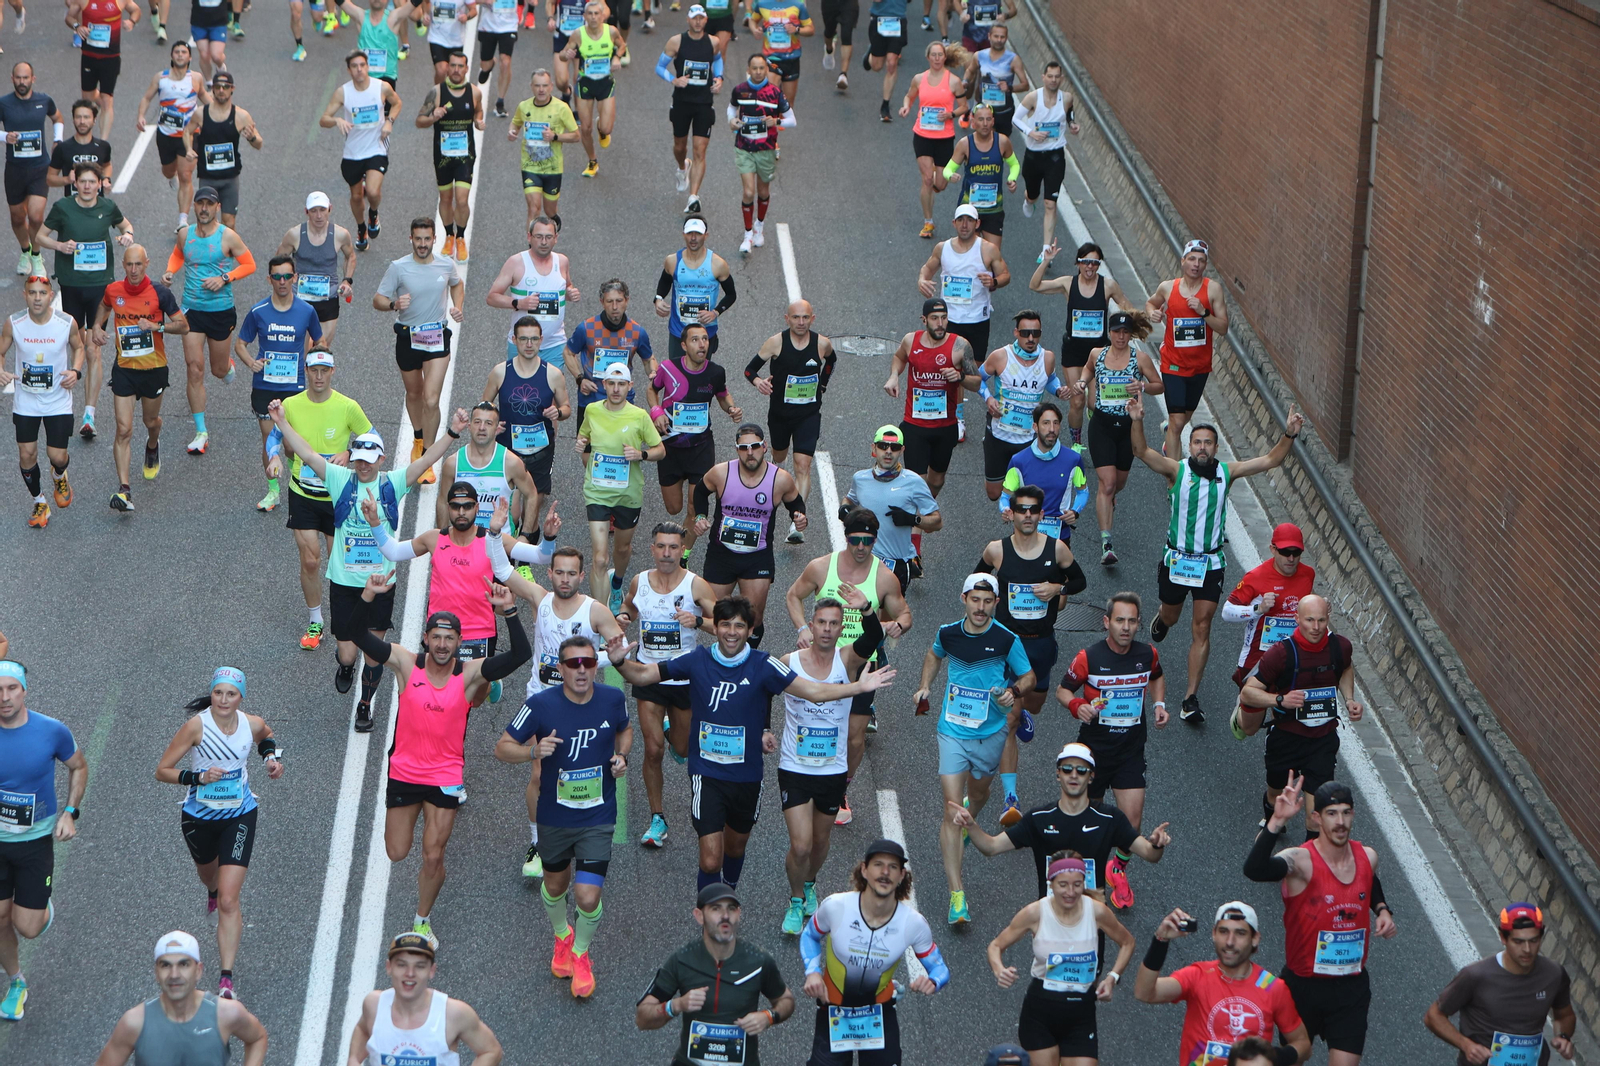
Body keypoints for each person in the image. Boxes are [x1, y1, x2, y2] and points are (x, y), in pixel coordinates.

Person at [607, 596, 895, 893]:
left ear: (749, 630)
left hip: (746, 777)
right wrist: (619, 661)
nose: (732, 632)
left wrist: (858, 687)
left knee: (735, 848)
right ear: (715, 628)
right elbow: (643, 674)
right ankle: (712, 906)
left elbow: (813, 691)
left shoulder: (764, 665)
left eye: (739, 626)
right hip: (707, 774)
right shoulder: (697, 660)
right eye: (725, 625)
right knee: (710, 858)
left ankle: (728, 891)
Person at [348, 571, 530, 945]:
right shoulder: (405, 663)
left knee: (433, 855)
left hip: (445, 775)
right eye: (437, 637)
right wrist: (367, 596)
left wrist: (509, 611)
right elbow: (355, 632)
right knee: (397, 852)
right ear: (426, 639)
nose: (443, 644)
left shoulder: (470, 673)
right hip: (404, 771)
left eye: (450, 638)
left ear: (460, 642)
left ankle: (422, 921)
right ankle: (421, 905)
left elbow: (520, 655)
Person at [267, 401, 470, 730]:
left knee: (374, 654)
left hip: (380, 582)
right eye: (358, 459)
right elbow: (307, 454)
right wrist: (282, 423)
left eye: (369, 460)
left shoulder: (393, 483)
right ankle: (346, 666)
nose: (363, 466)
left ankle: (365, 705)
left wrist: (452, 432)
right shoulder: (339, 478)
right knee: (348, 653)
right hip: (345, 583)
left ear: (381, 459)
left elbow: (427, 459)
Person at [1127, 392, 1304, 722]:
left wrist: (1289, 433)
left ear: (1216, 447)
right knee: (1171, 617)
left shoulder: (1227, 472)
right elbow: (1141, 452)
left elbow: (1270, 460)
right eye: (1197, 442)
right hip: (1178, 560)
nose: (1202, 448)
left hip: (1210, 563)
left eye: (1208, 443)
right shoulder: (1177, 470)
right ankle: (1163, 618)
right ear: (1190, 446)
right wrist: (1137, 419)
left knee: (1202, 626)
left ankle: (1190, 698)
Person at [479, 523, 622, 878]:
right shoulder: (540, 598)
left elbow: (619, 651)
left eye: (572, 573)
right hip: (542, 699)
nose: (565, 579)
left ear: (582, 576)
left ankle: (583, 830)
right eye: (559, 572)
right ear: (550, 573)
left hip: (581, 702)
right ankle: (538, 842)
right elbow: (502, 570)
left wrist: (591, 662)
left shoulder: (595, 612)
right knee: (540, 772)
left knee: (575, 768)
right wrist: (494, 534)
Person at [495, 635, 630, 997]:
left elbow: (625, 730)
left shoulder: (612, 699)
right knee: (555, 886)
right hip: (554, 817)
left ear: (595, 666)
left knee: (586, 896)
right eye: (573, 664)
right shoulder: (540, 705)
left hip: (598, 816)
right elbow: (502, 747)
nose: (581, 670)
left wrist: (622, 757)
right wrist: (532, 752)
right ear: (561, 668)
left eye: (588, 662)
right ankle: (562, 935)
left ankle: (581, 954)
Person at [1244, 777, 1398, 1066]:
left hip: (1351, 988)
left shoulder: (1368, 857)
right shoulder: (1300, 861)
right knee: (1293, 1059)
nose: (1340, 822)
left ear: (1353, 814)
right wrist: (1276, 821)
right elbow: (1255, 869)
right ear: (1316, 818)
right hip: (1303, 987)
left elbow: (1369, 879)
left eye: (1346, 812)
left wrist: (1382, 909)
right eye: (1331, 813)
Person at [153, 667, 282, 999]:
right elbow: (162, 771)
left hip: (240, 815)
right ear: (211, 694)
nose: (224, 700)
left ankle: (226, 980)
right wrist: (197, 778)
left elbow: (267, 736)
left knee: (229, 899)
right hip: (199, 817)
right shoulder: (196, 727)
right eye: (218, 693)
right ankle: (210, 889)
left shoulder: (251, 723)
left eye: (231, 694)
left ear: (241, 697)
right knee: (209, 876)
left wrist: (270, 760)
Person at [914, 573, 1034, 924]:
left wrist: (1014, 691)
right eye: (975, 600)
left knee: (978, 794)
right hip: (952, 730)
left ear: (996, 603)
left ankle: (970, 816)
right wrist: (925, 685)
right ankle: (957, 896)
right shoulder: (948, 633)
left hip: (991, 732)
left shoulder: (1007, 639)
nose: (980, 608)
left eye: (987, 601)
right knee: (952, 810)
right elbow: (934, 654)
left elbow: (1028, 676)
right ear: (963, 599)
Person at [785, 506, 912, 825]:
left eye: (867, 541)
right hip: (823, 662)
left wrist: (898, 625)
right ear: (846, 538)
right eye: (855, 540)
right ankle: (805, 777)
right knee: (820, 725)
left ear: (875, 541)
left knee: (854, 738)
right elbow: (793, 596)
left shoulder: (883, 577)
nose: (861, 547)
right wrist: (802, 629)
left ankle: (841, 788)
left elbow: (905, 614)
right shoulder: (821, 567)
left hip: (861, 665)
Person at [975, 482, 1085, 823]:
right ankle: (1011, 798)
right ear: (1011, 514)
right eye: (1020, 509)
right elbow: (977, 581)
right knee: (1008, 722)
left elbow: (1079, 581)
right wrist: (985, 607)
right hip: (1007, 646)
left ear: (1040, 514)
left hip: (1040, 643)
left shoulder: (1057, 549)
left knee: (1033, 704)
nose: (1027, 515)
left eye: (1033, 510)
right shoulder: (997, 550)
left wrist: (1057, 587)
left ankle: (1025, 713)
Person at [775, 590, 880, 933]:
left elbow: (874, 636)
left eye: (834, 624)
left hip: (833, 769)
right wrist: (761, 729)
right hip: (794, 766)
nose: (827, 629)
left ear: (841, 628)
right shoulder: (789, 661)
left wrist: (866, 608)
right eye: (821, 622)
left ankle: (809, 883)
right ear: (811, 624)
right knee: (800, 845)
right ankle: (795, 900)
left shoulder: (846, 661)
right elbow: (762, 689)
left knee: (820, 843)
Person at [954, 741, 1170, 902]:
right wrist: (971, 825)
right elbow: (991, 847)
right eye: (1067, 769)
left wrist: (1157, 844)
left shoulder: (1110, 819)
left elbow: (1150, 854)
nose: (1073, 775)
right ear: (1058, 775)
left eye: (1081, 770)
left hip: (1090, 925)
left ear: (1091, 777)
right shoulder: (1039, 819)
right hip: (1050, 925)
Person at [1055, 591, 1165, 907]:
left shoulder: (1147, 654)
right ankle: (1085, 876)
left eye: (1132, 621)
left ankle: (1117, 867)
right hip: (1094, 753)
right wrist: (1078, 706)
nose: (1126, 627)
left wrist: (1158, 704)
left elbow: (1157, 677)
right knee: (1092, 821)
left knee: (1132, 825)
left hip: (1130, 751)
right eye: (1119, 620)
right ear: (1106, 622)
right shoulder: (1088, 657)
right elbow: (1063, 690)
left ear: (1139, 623)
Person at [800, 840, 951, 1064]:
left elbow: (940, 969)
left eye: (893, 867)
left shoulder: (913, 923)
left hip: (879, 1011)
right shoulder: (836, 906)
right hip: (833, 1008)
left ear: (901, 876)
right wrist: (812, 971)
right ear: (864, 870)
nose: (885, 872)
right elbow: (810, 935)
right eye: (878, 864)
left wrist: (933, 981)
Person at [616, 521, 717, 849]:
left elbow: (726, 625)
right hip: (649, 674)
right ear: (652, 549)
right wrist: (624, 617)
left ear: (682, 550)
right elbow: (629, 605)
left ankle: (673, 730)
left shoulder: (695, 585)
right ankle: (657, 818)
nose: (667, 553)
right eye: (661, 546)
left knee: (683, 749)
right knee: (653, 749)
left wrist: (698, 621)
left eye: (673, 547)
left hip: (685, 678)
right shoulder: (640, 581)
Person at [987, 850, 1133, 1066]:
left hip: (1081, 1013)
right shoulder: (1036, 913)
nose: (1070, 892)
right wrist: (1000, 970)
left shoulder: (1097, 912)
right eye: (1063, 885)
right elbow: (996, 946)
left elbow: (1127, 942)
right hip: (1041, 1013)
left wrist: (1112, 977)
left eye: (1077, 884)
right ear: (1051, 883)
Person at [0, 658, 86, 1022]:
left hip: (34, 842)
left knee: (28, 927)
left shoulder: (52, 731)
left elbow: (78, 766)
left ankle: (38, 907)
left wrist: (70, 812)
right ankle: (16, 982)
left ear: (24, 691)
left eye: (11, 689)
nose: (4, 697)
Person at [1238, 595, 1364, 838]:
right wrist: (1280, 700)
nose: (1316, 627)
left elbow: (1347, 667)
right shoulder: (1280, 653)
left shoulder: (1340, 647)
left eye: (1321, 620)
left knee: (1315, 817)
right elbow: (1248, 693)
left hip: (1322, 740)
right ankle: (1272, 820)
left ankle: (1309, 857)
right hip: (1286, 738)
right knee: (1276, 795)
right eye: (1309, 620)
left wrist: (1349, 699)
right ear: (1297, 619)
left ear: (1328, 619)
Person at [268, 351, 370, 649]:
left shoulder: (347, 406)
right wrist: (274, 456)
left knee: (340, 562)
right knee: (311, 561)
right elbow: (274, 436)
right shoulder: (291, 405)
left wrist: (350, 453)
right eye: (314, 370)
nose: (319, 376)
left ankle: (349, 616)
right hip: (303, 494)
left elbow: (372, 438)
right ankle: (315, 621)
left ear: (333, 371)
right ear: (306, 370)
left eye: (325, 370)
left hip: (337, 497)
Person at [1133, 901, 1312, 1066]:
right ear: (1214, 934)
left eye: (1240, 933)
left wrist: (1272, 1058)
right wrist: (1161, 940)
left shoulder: (1272, 987)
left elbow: (1303, 1044)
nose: (1230, 942)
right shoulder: (1197, 976)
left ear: (1255, 939)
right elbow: (1145, 992)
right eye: (1224, 931)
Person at [637, 883, 797, 1066]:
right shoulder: (681, 960)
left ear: (739, 914)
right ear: (699, 916)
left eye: (731, 908)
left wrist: (769, 1017)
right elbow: (642, 1018)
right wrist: (676, 1005)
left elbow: (786, 1000)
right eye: (716, 909)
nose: (725, 916)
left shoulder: (758, 961)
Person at [38, 162, 131, 443]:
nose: (88, 186)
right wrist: (60, 246)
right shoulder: (63, 208)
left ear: (100, 184)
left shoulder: (108, 207)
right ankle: (68, 395)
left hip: (100, 287)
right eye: (83, 182)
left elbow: (126, 225)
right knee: (77, 345)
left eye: (93, 182)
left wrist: (127, 236)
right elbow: (39, 236)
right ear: (75, 183)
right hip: (71, 286)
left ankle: (89, 415)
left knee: (93, 349)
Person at [163, 185, 255, 457]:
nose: (204, 209)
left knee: (217, 370)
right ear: (194, 206)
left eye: (209, 204)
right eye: (200, 203)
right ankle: (201, 432)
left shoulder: (228, 237)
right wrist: (170, 271)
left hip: (220, 310)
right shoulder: (185, 234)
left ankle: (227, 367)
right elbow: (179, 254)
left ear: (217, 207)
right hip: (191, 310)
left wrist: (225, 278)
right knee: (194, 368)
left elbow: (249, 264)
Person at [1425, 902, 1576, 1066]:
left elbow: (1565, 1016)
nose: (1527, 949)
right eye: (1518, 942)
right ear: (1503, 938)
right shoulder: (1475, 976)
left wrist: (1563, 1036)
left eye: (1533, 941)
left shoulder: (1554, 974)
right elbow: (1433, 1016)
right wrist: (1466, 1045)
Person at [95, 244, 186, 511]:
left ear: (147, 263)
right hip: (124, 368)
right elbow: (104, 306)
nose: (133, 270)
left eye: (138, 264)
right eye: (129, 265)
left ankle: (152, 444)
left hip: (154, 369)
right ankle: (124, 490)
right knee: (123, 429)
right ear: (123, 265)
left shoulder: (160, 293)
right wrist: (96, 326)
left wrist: (157, 326)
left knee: (150, 421)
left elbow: (183, 326)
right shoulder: (114, 290)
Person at [694, 423, 802, 643]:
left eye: (755, 446)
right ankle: (727, 653)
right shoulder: (721, 472)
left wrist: (799, 517)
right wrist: (700, 517)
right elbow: (700, 492)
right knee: (714, 617)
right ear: (737, 449)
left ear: (765, 447)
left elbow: (795, 502)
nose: (750, 452)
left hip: (757, 557)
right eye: (743, 448)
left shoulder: (780, 479)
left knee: (753, 618)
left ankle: (746, 657)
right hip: (721, 554)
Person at [91, 931, 268, 1065]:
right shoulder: (134, 1023)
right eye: (165, 965)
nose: (174, 974)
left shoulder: (226, 1013)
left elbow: (257, 1038)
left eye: (183, 964)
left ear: (198, 971)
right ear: (156, 973)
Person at [375, 217, 464, 483]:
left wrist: (457, 306)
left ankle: (427, 456)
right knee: (414, 393)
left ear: (434, 239)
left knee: (431, 399)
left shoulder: (446, 264)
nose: (422, 244)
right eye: (418, 239)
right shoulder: (398, 267)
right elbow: (377, 300)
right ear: (410, 239)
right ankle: (417, 438)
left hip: (436, 337)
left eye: (427, 239)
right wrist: (393, 304)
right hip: (407, 337)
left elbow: (457, 283)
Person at [1069, 309, 1160, 563]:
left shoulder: (1140, 359)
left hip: (1128, 428)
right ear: (1109, 333)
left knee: (1118, 483)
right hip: (1102, 425)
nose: (1121, 337)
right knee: (1107, 483)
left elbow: (1159, 385)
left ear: (1130, 335)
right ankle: (1106, 544)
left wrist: (1142, 386)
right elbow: (1088, 370)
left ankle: (1109, 500)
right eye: (1117, 332)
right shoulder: (1097, 354)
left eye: (1125, 332)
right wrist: (1082, 382)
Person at [236, 255, 323, 512]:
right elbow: (240, 344)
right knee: (268, 440)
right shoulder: (258, 311)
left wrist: (312, 363)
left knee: (290, 444)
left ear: (294, 278)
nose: (282, 281)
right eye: (277, 277)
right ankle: (273, 491)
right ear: (269, 279)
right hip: (265, 385)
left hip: (295, 387)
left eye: (287, 276)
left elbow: (320, 341)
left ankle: (301, 480)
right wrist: (251, 362)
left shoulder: (306, 311)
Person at [648, 320, 738, 565]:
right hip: (670, 447)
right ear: (684, 345)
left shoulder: (715, 372)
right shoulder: (668, 368)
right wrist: (656, 412)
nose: (701, 344)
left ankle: (682, 555)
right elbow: (651, 390)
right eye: (695, 340)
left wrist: (731, 408)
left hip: (701, 448)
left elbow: (722, 395)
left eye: (705, 339)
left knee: (693, 507)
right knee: (673, 508)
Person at [746, 299, 834, 542]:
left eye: (805, 317)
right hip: (780, 416)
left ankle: (797, 521)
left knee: (803, 466)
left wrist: (823, 385)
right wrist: (758, 382)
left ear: (812, 319)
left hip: (808, 415)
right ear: (787, 319)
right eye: (796, 317)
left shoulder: (822, 344)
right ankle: (778, 470)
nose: (801, 322)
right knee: (780, 457)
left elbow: (831, 361)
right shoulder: (776, 342)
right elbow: (749, 370)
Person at [577, 360, 666, 599]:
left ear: (630, 386)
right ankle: (600, 613)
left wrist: (640, 454)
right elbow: (584, 437)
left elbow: (660, 450)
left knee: (622, 548)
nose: (616, 389)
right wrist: (581, 445)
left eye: (622, 384)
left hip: (628, 494)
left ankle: (616, 584)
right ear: (604, 384)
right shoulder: (592, 410)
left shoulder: (639, 416)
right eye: (612, 384)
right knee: (600, 558)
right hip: (597, 492)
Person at [1, 274, 84, 528]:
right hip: (27, 401)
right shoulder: (14, 323)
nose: (37, 298)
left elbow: (79, 348)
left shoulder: (66, 322)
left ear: (51, 296)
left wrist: (75, 371)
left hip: (57, 400)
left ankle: (59, 475)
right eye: (32, 293)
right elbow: (1, 351)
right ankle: (39, 501)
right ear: (25, 295)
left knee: (57, 456)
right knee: (27, 454)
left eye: (42, 293)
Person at [346, 932, 503, 1066]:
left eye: (420, 966)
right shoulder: (374, 1005)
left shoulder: (453, 1013)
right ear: (389, 967)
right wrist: (354, 1059)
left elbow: (491, 1051)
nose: (410, 973)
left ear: (431, 971)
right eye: (401, 965)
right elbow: (362, 1029)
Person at [1029, 243, 1129, 442]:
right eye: (1085, 262)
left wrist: (1148, 317)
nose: (1090, 266)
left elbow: (1128, 308)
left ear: (1099, 264)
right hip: (1074, 351)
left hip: (1099, 352)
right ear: (1078, 263)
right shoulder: (1068, 283)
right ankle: (1076, 442)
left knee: (1094, 403)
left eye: (1094, 262)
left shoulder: (1108, 286)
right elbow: (1035, 285)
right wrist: (1046, 260)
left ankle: (1093, 414)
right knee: (1077, 401)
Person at [916, 206, 1010, 416]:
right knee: (953, 370)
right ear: (954, 223)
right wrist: (922, 280)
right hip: (949, 321)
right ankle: (957, 417)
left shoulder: (987, 249)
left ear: (977, 224)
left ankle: (963, 408)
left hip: (977, 320)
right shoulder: (943, 248)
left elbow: (1005, 275)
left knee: (972, 373)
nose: (965, 225)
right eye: (960, 220)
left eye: (969, 220)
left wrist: (994, 281)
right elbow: (927, 268)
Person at [884, 296, 978, 505]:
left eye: (944, 317)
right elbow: (899, 357)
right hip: (915, 424)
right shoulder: (911, 341)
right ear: (924, 320)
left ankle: (924, 507)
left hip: (945, 427)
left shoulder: (960, 346)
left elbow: (977, 383)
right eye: (934, 318)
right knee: (916, 481)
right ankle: (919, 515)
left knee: (936, 481)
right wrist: (894, 376)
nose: (940, 323)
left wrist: (960, 376)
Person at [1143, 238, 1230, 459]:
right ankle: (1174, 473)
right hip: (1173, 364)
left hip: (1200, 367)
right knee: (1177, 420)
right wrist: (1152, 313)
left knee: (1183, 419)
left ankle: (1169, 436)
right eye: (1192, 259)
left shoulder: (1213, 290)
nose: (1196, 264)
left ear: (1205, 264)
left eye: (1201, 260)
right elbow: (1151, 303)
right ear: (1183, 261)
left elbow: (1223, 328)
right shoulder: (1168, 287)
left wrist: (1204, 312)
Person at [484, 315, 571, 529]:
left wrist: (558, 412)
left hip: (540, 452)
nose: (529, 344)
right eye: (523, 339)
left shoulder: (553, 374)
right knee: (512, 514)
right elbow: (485, 406)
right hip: (509, 451)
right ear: (514, 340)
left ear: (541, 340)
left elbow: (567, 408)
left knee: (530, 515)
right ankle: (509, 546)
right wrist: (492, 423)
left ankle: (527, 548)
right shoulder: (500, 372)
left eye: (533, 339)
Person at [1222, 522, 1316, 713]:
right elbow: (1227, 612)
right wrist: (1258, 609)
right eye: (1285, 552)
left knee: (1287, 709)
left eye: (1296, 553)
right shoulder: (1255, 577)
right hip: (1257, 657)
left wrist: (1318, 607)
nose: (1291, 558)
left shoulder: (1308, 574)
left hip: (1291, 654)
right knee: (1249, 724)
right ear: (1273, 549)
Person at [841, 423, 941, 589]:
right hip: (864, 560)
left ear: (902, 451)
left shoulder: (914, 482)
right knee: (859, 604)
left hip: (897, 563)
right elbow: (849, 499)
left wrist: (912, 519)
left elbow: (937, 522)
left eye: (894, 448)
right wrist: (844, 508)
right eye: (883, 446)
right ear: (874, 448)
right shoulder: (860, 478)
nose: (888, 451)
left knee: (891, 608)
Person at [320, 51, 400, 253]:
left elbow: (397, 103)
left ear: (367, 67)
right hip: (353, 152)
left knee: (372, 191)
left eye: (362, 65)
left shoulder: (381, 87)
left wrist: (389, 122)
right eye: (354, 66)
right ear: (349, 70)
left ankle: (373, 213)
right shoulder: (343, 92)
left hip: (376, 147)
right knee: (356, 196)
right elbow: (324, 119)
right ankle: (361, 228)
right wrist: (337, 120)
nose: (359, 69)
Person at [977, 308, 1057, 501]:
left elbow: (1051, 379)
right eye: (1025, 333)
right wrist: (988, 398)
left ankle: (1017, 514)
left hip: (1029, 437)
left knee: (1028, 492)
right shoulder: (1000, 356)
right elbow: (977, 379)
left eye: (1035, 333)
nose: (1030, 338)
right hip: (999, 434)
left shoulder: (1047, 358)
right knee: (994, 493)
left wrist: (1059, 390)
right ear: (1016, 333)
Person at [997, 401, 1092, 550]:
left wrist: (1075, 511)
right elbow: (1005, 496)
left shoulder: (1073, 460)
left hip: (1059, 537)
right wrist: (1005, 510)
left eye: (1055, 423)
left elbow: (1083, 492)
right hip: (1025, 535)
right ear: (1035, 427)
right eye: (1046, 423)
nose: (1051, 429)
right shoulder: (1018, 461)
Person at [417, 50, 483, 262]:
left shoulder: (474, 92)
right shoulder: (437, 92)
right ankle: (449, 236)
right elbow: (419, 121)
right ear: (447, 68)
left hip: (465, 155)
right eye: (452, 65)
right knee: (445, 198)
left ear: (466, 69)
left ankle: (461, 237)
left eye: (460, 66)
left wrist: (479, 121)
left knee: (461, 199)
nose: (456, 70)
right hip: (442, 155)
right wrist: (432, 117)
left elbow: (478, 111)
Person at [486, 215, 577, 369]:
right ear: (529, 237)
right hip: (522, 344)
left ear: (556, 238)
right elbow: (492, 297)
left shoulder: (562, 261)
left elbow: (567, 287)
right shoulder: (516, 262)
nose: (544, 242)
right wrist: (519, 303)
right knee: (521, 385)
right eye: (539, 237)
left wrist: (570, 294)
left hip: (554, 344)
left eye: (548, 237)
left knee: (553, 385)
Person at [727, 54, 796, 256]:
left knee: (763, 191)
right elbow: (731, 108)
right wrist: (731, 121)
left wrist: (777, 121)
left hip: (766, 149)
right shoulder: (740, 90)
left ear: (766, 70)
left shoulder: (775, 93)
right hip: (744, 147)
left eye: (761, 68)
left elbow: (792, 120)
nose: (758, 72)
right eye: (754, 68)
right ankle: (748, 234)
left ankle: (759, 225)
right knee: (749, 192)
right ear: (748, 69)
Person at [659, 7, 726, 213]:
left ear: (705, 21)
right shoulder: (676, 41)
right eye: (694, 18)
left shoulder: (713, 42)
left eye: (701, 18)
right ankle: (682, 167)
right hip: (682, 102)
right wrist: (674, 79)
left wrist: (719, 78)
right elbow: (659, 67)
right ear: (688, 20)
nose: (698, 22)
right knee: (680, 147)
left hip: (704, 103)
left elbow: (718, 60)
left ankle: (693, 197)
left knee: (700, 150)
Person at [435, 401, 540, 532]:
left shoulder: (511, 462)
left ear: (497, 429)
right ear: (469, 426)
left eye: (488, 423)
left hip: (501, 540)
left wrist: (526, 534)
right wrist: (443, 537)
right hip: (465, 541)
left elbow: (532, 495)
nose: (482, 427)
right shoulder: (453, 463)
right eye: (477, 422)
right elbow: (443, 501)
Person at [134, 45, 207, 229]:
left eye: (184, 52)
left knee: (186, 175)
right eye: (177, 52)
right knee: (168, 171)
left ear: (190, 57)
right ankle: (170, 175)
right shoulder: (161, 78)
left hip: (189, 134)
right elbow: (146, 98)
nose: (180, 55)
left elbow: (205, 98)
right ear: (172, 56)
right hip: (166, 133)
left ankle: (182, 220)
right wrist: (141, 116)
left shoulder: (196, 78)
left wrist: (219, 116)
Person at [2, 64, 64, 279]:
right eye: (18, 78)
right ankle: (25, 251)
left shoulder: (44, 101)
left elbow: (58, 118)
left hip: (39, 168)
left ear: (33, 79)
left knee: (36, 217)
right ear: (12, 78)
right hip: (15, 169)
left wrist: (58, 140)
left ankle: (36, 256)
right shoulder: (4, 103)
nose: (22, 82)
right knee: (18, 218)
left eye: (26, 78)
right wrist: (4, 137)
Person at [1012, 62, 1078, 265]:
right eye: (1050, 76)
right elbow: (1016, 119)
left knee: (1050, 203)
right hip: (1033, 156)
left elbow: (1069, 112)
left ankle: (1045, 251)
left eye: (1057, 76)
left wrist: (1072, 124)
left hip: (1055, 157)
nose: (1053, 80)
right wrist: (1030, 132)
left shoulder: (1067, 97)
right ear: (1043, 77)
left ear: (1061, 78)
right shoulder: (1033, 97)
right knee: (1033, 195)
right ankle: (1029, 200)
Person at [276, 192, 357, 351]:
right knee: (303, 349)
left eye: (322, 210)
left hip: (328, 298)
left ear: (330, 209)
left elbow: (351, 256)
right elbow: (278, 261)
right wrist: (286, 281)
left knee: (321, 349)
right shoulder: (295, 234)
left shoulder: (340, 234)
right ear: (306, 212)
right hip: (300, 298)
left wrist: (347, 281)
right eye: (313, 211)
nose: (319, 216)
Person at [181, 71, 261, 231]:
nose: (221, 90)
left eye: (225, 87)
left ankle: (226, 248)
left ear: (232, 89)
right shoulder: (201, 113)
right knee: (205, 221)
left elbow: (259, 143)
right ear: (213, 89)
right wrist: (188, 148)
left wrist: (252, 137)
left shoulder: (241, 116)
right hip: (208, 177)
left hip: (230, 178)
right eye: (218, 87)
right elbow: (186, 131)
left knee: (229, 223)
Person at [566, 277, 653, 420]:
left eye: (619, 301)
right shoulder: (586, 328)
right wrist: (580, 379)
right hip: (591, 402)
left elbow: (649, 360)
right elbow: (568, 352)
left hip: (623, 404)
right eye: (609, 301)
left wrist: (654, 374)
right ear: (602, 302)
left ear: (627, 301)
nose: (614, 307)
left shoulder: (637, 332)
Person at [900, 41, 963, 238]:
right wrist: (906, 107)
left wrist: (951, 114)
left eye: (940, 55)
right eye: (933, 55)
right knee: (927, 179)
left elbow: (964, 106)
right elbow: (909, 96)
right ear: (928, 57)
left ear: (945, 57)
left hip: (944, 137)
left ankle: (938, 174)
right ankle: (928, 223)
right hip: (923, 135)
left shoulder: (953, 81)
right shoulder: (919, 79)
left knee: (940, 184)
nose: (937, 58)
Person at [655, 215, 735, 358]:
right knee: (676, 371)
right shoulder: (673, 261)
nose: (693, 238)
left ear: (706, 235)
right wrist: (658, 299)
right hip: (679, 331)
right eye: (689, 233)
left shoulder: (718, 264)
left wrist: (715, 313)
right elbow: (665, 281)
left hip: (705, 333)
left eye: (697, 233)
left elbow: (731, 294)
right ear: (683, 234)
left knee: (701, 372)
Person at [560, 2, 625, 177]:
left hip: (605, 83)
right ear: (585, 16)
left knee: (607, 128)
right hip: (585, 84)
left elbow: (622, 45)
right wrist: (567, 55)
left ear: (603, 16)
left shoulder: (611, 32)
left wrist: (617, 57)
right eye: (590, 13)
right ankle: (592, 161)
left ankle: (601, 128)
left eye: (597, 13)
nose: (593, 17)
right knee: (585, 128)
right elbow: (562, 55)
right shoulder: (578, 34)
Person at [510, 70, 580, 228]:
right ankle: (531, 242)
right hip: (530, 166)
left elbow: (576, 136)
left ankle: (553, 224)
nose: (541, 90)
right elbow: (515, 122)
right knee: (534, 208)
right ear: (531, 86)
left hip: (553, 168)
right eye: (537, 86)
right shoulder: (524, 106)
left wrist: (555, 136)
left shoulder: (561, 108)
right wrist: (512, 131)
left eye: (544, 86)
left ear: (551, 86)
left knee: (549, 211)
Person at [942, 104, 1017, 247]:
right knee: (970, 253)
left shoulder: (1002, 142)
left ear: (993, 121)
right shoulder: (965, 144)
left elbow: (1014, 164)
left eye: (988, 119)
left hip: (994, 209)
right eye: (981, 119)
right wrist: (950, 175)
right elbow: (947, 169)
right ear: (973, 121)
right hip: (969, 209)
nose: (985, 124)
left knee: (993, 254)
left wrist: (1012, 178)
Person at [71, 0, 139, 139]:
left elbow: (136, 10)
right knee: (88, 99)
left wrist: (132, 21)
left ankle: (102, 141)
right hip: (89, 57)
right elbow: (69, 16)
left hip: (110, 58)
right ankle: (103, 111)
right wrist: (77, 26)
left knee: (107, 99)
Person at [47, 99, 114, 199]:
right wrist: (67, 180)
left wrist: (106, 179)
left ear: (94, 120)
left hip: (97, 204)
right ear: (73, 119)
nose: (82, 122)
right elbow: (49, 179)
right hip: (72, 204)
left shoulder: (103, 146)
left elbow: (107, 165)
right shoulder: (63, 148)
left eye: (86, 117)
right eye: (78, 117)